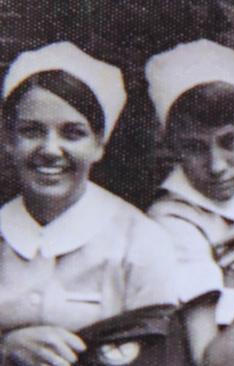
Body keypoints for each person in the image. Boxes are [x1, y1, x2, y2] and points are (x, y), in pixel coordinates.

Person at [0, 42, 177, 366]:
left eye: (73, 133)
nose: (50, 149)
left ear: (99, 145)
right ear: (8, 140)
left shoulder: (141, 242)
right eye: (31, 131)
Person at [145, 39, 234, 366]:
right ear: (172, 144)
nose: (216, 166)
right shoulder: (172, 223)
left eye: (230, 142)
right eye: (195, 147)